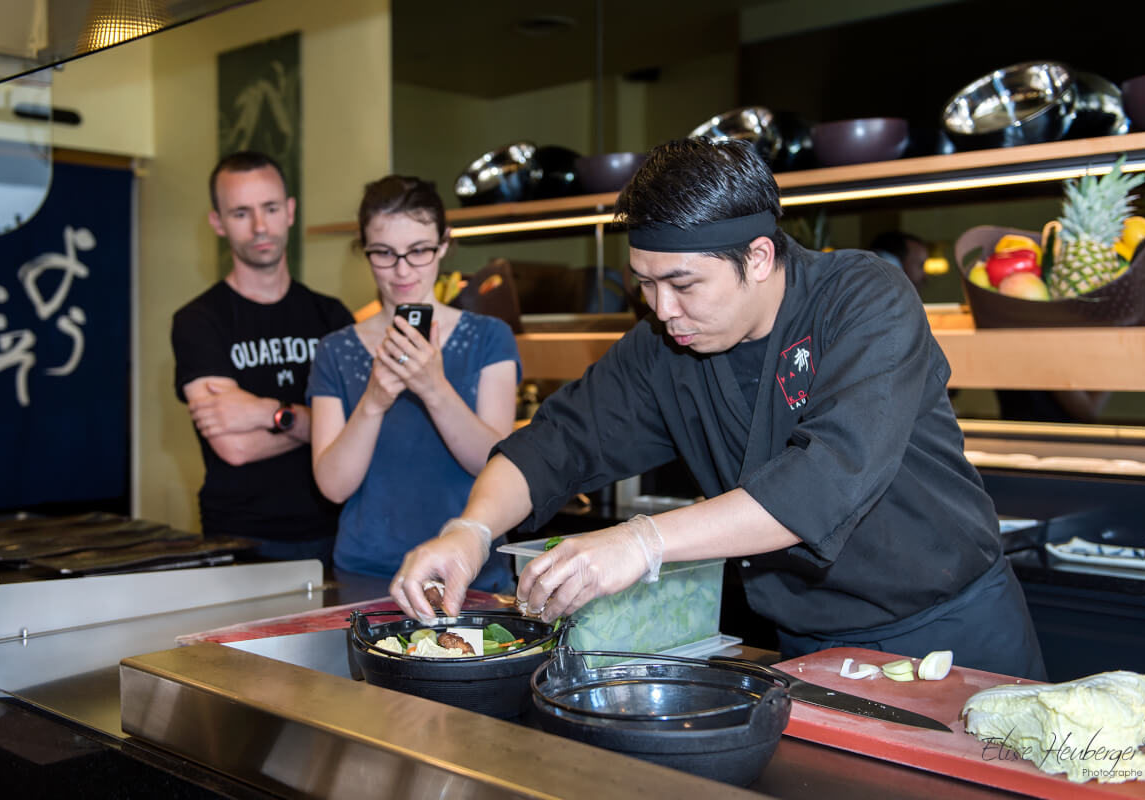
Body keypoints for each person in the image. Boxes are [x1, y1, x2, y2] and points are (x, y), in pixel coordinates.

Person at [389, 138, 1047, 680]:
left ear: (757, 257)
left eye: (682, 284)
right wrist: (470, 531)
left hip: (951, 632)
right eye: (646, 284)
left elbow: (823, 480)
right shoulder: (663, 346)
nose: (662, 309)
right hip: (809, 648)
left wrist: (642, 542)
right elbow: (555, 443)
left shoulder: (863, 300)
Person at [307, 175, 520, 591]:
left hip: (471, 572)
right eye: (384, 253)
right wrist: (373, 401)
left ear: (443, 244)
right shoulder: (336, 349)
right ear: (365, 250)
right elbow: (333, 486)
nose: (402, 270)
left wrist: (433, 387)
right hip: (367, 573)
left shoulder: (490, 337)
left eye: (419, 251)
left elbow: (496, 464)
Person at [172, 151, 354, 566]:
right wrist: (318, 423)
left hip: (338, 533)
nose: (259, 226)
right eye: (241, 213)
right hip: (241, 537)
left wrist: (267, 412)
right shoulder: (198, 321)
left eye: (270, 208)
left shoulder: (332, 317)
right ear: (218, 222)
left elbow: (359, 431)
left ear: (289, 211)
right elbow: (234, 447)